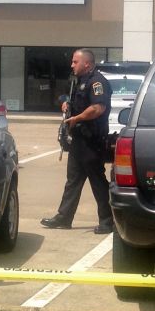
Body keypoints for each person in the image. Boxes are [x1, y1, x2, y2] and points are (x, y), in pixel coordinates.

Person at [41, 49, 113, 234]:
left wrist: (78, 118)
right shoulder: (76, 81)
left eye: (75, 62)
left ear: (87, 63)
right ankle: (64, 218)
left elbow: (98, 108)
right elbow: (68, 98)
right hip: (77, 140)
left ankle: (107, 220)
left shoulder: (98, 82)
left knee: (97, 181)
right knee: (72, 180)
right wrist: (65, 104)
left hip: (92, 140)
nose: (72, 65)